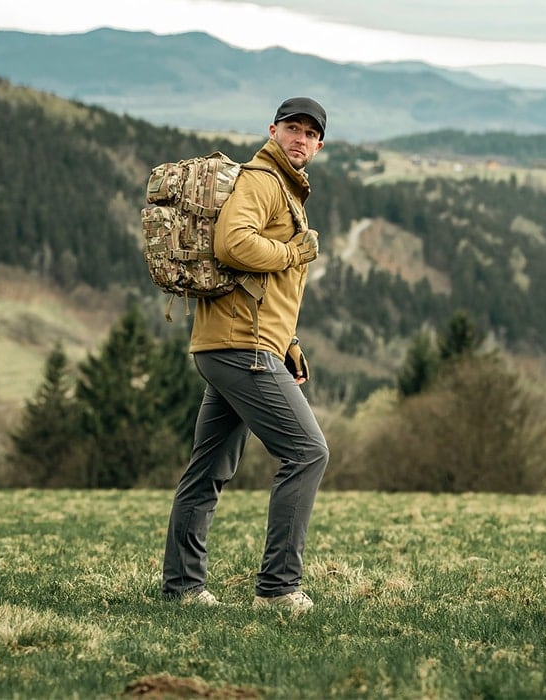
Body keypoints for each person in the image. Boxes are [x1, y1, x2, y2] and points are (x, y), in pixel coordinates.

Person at [162, 97, 330, 614]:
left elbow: (269, 291)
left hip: (238, 344)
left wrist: (290, 344)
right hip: (242, 347)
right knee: (307, 452)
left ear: (320, 145)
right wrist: (292, 253)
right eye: (292, 128)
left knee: (208, 468)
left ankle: (182, 590)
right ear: (272, 130)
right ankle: (279, 589)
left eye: (310, 133)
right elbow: (233, 244)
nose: (300, 139)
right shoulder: (262, 180)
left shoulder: (285, 189)